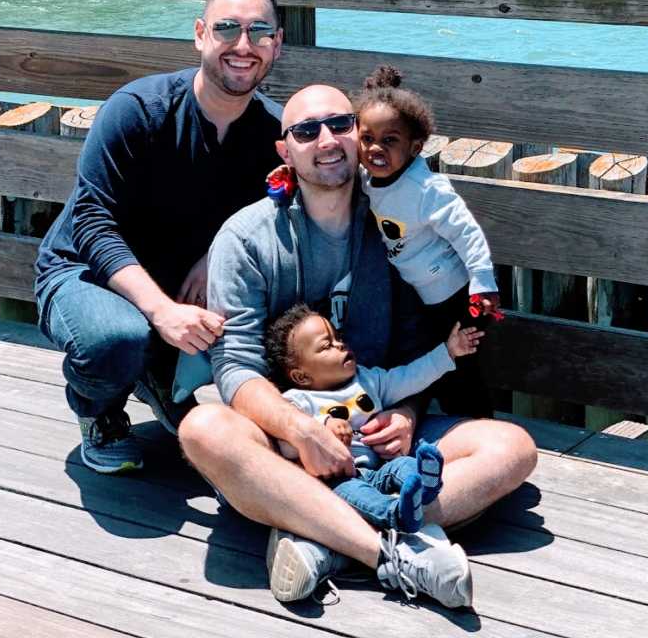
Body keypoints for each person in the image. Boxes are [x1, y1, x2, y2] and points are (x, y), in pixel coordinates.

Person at [178, 83, 538, 609]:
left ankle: (318, 534)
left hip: (375, 424)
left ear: (360, 135)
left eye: (341, 125)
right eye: (305, 131)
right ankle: (386, 550)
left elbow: (420, 342)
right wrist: (302, 431)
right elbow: (235, 367)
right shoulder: (246, 236)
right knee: (202, 428)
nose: (326, 139)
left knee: (513, 449)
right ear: (285, 151)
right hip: (284, 440)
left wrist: (410, 413)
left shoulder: (400, 228)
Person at [34, 0, 285, 474]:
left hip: (182, 277)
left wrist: (216, 257)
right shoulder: (138, 110)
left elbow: (281, 214)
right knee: (114, 339)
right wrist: (161, 312)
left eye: (259, 32)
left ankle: (159, 371)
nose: (244, 45)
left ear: (277, 45)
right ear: (199, 34)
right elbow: (90, 222)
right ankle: (100, 412)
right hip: (87, 271)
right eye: (226, 29)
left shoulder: (275, 133)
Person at [354, 65, 500, 417]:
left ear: (415, 147)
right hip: (417, 296)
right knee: (430, 359)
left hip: (454, 297)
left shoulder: (426, 190)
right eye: (367, 138)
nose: (376, 148)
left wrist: (483, 284)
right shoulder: (365, 177)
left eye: (390, 140)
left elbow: (467, 234)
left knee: (461, 367)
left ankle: (477, 427)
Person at [266, 303, 481, 533]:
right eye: (327, 345)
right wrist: (323, 427)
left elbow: (409, 377)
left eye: (337, 337)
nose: (340, 344)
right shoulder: (298, 401)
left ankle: (425, 484)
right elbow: (287, 445)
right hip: (341, 479)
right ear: (301, 376)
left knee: (404, 465)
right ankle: (396, 514)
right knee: (356, 496)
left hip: (382, 467)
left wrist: (447, 352)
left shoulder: (368, 380)